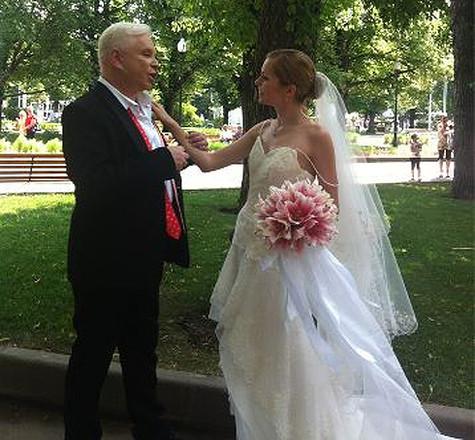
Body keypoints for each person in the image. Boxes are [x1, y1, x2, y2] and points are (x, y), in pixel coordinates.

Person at [154, 49, 457, 439]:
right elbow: (210, 162)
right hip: (249, 252)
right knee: (251, 339)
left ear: (289, 88)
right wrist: (171, 126)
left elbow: (333, 205)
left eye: (265, 77)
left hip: (286, 258)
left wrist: (297, 222)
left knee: (286, 340)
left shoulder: (317, 137)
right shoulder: (262, 130)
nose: (257, 82)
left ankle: (297, 426)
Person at [61, 22, 206, 440]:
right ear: (116, 59)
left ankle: (151, 425)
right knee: (93, 352)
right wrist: (164, 160)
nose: (155, 63)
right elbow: (96, 184)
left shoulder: (144, 109)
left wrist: (182, 156)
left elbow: (143, 172)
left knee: (142, 348)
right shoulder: (84, 112)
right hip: (104, 260)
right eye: (146, 54)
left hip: (145, 253)